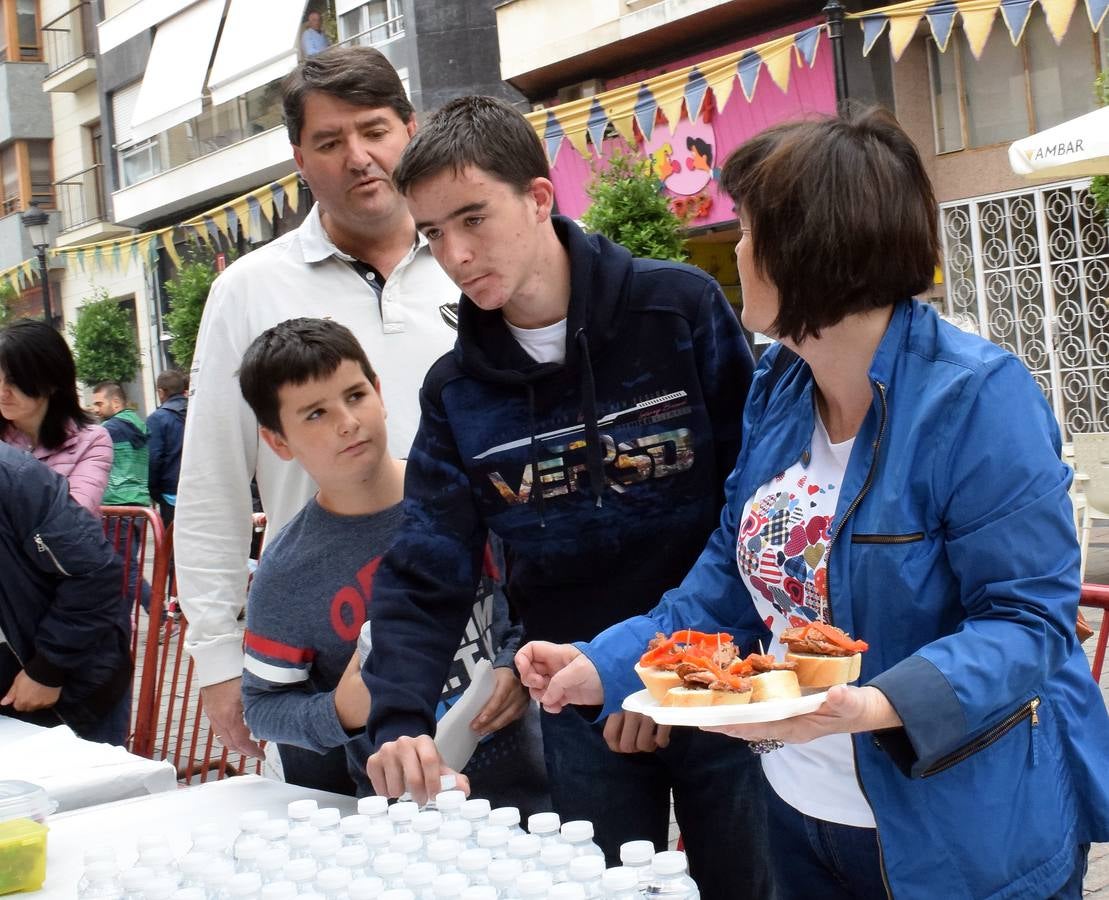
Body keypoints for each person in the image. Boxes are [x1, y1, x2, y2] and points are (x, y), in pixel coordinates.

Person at [517, 107, 1109, 900]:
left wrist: (870, 704)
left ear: (809, 248)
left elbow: (1025, 621)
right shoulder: (781, 387)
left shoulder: (976, 398)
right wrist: (604, 662)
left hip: (959, 828)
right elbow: (725, 585)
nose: (737, 249)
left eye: (749, 231)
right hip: (795, 813)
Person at [362, 96, 765, 897]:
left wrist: (654, 671)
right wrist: (399, 718)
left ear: (539, 198)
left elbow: (753, 505)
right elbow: (427, 563)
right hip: (576, 702)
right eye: (434, 233)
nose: (456, 252)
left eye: (473, 218)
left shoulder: (678, 310)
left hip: (724, 682)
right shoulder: (455, 391)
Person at [174, 45, 458, 765]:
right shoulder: (249, 289)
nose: (358, 157)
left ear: (410, 131)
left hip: (478, 626)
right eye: (330, 142)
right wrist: (216, 659)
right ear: (299, 159)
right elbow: (210, 484)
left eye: (374, 131)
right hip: (326, 661)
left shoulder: (474, 257)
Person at [237, 318, 547, 808]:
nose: (346, 421)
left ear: (380, 392)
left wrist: (515, 665)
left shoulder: (470, 495)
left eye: (355, 395)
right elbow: (262, 707)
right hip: (401, 819)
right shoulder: (286, 570)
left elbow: (532, 601)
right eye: (315, 413)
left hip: (533, 786)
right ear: (278, 441)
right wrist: (339, 711)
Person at [0, 441, 131, 745]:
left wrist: (48, 669)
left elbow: (96, 572)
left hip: (66, 692)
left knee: (90, 790)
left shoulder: (15, 477)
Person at [0, 319, 112, 514]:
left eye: (14, 381)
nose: (2, 392)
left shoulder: (92, 441)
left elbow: (71, 518)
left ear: (52, 381)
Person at [93, 381, 154, 613]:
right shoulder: (140, 425)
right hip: (137, 506)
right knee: (126, 568)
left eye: (99, 403)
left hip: (116, 507)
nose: (96, 409)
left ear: (116, 402)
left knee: (124, 570)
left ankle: (156, 618)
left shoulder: (108, 430)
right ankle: (125, 621)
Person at [147, 369, 188, 528]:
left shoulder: (157, 419)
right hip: (202, 490)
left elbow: (153, 459)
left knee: (173, 548)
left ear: (161, 392)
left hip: (172, 494)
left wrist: (155, 492)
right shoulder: (197, 413)